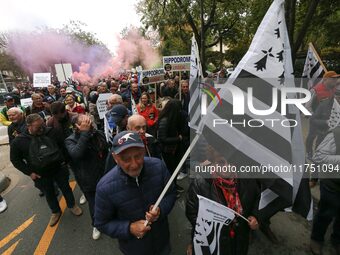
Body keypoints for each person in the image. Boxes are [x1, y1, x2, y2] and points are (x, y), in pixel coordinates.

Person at [94, 131, 176, 255]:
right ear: (115, 158)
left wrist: (160, 210)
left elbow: (170, 194)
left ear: (144, 151)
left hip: (162, 242)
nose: (134, 164)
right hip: (134, 249)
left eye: (138, 156)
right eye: (126, 159)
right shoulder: (105, 188)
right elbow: (101, 223)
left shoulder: (158, 166)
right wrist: (129, 228)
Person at [10, 114, 82, 226]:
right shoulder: (19, 141)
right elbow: (15, 160)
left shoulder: (51, 132)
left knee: (66, 188)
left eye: (42, 125)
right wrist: (30, 173)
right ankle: (55, 211)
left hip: (59, 169)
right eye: (37, 127)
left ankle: (72, 205)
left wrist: (65, 162)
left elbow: (63, 147)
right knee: (49, 193)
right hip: (40, 174)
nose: (41, 129)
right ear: (29, 126)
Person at [186, 147, 260, 255]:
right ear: (212, 162)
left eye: (231, 162)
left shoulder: (248, 180)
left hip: (239, 241)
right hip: (213, 241)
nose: (227, 167)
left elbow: (257, 200)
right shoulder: (200, 183)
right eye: (221, 162)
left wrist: (255, 216)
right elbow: (192, 212)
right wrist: (215, 223)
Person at [65, 114, 109, 240]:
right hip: (88, 179)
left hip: (104, 174)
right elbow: (76, 154)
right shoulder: (70, 140)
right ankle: (96, 224)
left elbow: (105, 150)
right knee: (94, 204)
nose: (89, 124)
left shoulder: (97, 133)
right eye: (85, 123)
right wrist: (84, 134)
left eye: (89, 121)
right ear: (76, 126)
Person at [310, 126, 340, 255]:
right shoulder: (336, 134)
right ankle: (316, 239)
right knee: (326, 213)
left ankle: (337, 239)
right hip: (332, 184)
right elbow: (319, 156)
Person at [305, 71, 340, 158]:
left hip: (330, 119)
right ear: (325, 79)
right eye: (333, 78)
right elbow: (307, 106)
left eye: (336, 78)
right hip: (316, 118)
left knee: (324, 138)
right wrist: (313, 116)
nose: (335, 80)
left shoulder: (334, 89)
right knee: (312, 136)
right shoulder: (315, 90)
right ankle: (309, 152)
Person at [157, 99, 184, 196]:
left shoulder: (173, 119)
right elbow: (162, 138)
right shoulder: (164, 121)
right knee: (170, 171)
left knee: (175, 170)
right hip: (167, 151)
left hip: (174, 150)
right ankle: (171, 190)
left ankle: (174, 185)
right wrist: (178, 138)